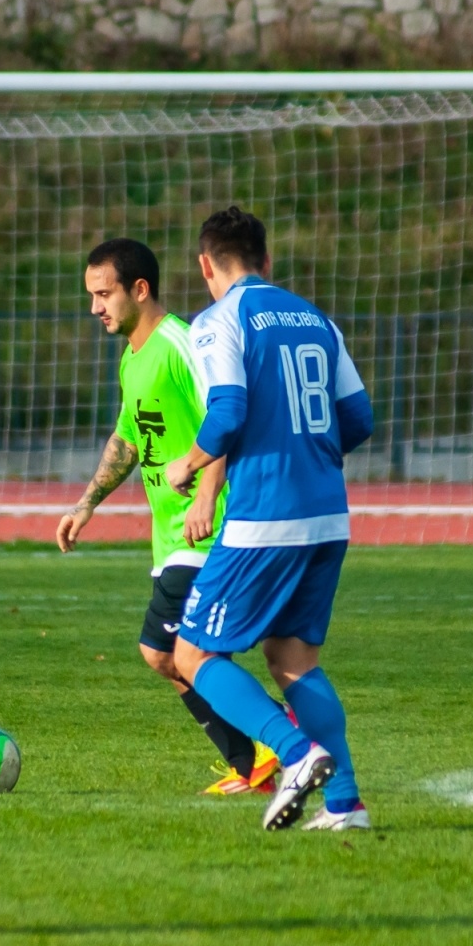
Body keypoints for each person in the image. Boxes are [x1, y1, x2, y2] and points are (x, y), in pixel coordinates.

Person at [164, 207, 375, 832]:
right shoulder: (316, 319)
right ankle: (346, 807)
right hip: (327, 516)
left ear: (206, 265)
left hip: (264, 520)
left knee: (191, 655)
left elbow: (226, 412)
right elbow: (358, 419)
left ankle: (295, 753)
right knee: (293, 660)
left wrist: (190, 462)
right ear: (267, 260)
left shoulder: (219, 321)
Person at [57, 237, 280, 796]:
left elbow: (226, 415)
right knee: (176, 656)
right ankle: (256, 759)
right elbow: (130, 439)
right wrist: (86, 504)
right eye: (91, 297)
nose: (95, 308)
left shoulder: (182, 343)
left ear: (140, 289)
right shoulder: (133, 358)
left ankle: (278, 741)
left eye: (103, 294)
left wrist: (207, 494)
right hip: (170, 538)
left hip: (207, 530)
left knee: (164, 651)